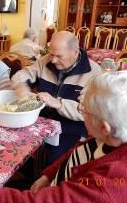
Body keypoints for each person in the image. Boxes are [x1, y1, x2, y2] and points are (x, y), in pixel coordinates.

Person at [0, 71, 127, 203]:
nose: (82, 112)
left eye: (83, 110)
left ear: (105, 127)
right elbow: (83, 152)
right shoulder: (121, 136)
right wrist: (49, 174)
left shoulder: (114, 187)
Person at [12, 31, 101, 165]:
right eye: (51, 54)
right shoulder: (45, 60)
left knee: (54, 160)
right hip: (41, 122)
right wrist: (21, 86)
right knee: (14, 146)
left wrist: (58, 103)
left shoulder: (93, 73)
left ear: (75, 52)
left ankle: (46, 182)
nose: (53, 60)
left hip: (70, 128)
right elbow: (22, 75)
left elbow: (88, 111)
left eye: (59, 56)